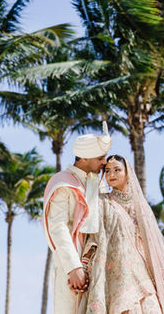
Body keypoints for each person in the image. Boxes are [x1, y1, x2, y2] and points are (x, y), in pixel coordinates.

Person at [77, 154, 164, 313]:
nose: (111, 175)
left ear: (127, 172)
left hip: (142, 276)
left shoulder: (141, 207)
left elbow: (151, 244)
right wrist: (82, 267)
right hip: (115, 278)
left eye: (117, 170)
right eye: (108, 171)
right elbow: (93, 237)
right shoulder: (101, 202)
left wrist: (162, 279)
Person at [42, 122, 112, 314]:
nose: (104, 162)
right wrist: (74, 268)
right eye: (100, 158)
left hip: (100, 263)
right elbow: (58, 227)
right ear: (84, 158)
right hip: (71, 263)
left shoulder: (98, 184)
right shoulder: (63, 182)